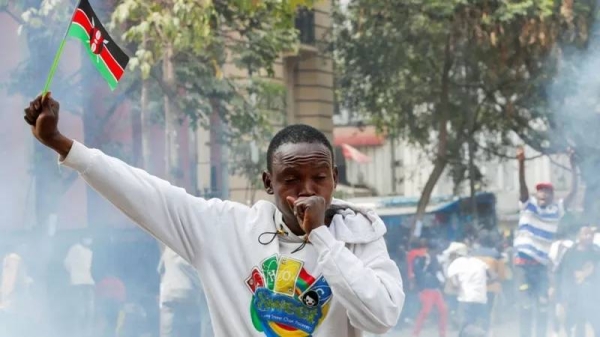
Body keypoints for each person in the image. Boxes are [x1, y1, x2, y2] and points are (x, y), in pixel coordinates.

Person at [23, 94, 404, 336]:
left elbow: (381, 316)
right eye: (291, 179)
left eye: (319, 178)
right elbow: (144, 192)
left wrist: (321, 236)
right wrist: (61, 143)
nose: (306, 190)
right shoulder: (227, 228)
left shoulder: (360, 236)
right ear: (268, 184)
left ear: (335, 179)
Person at [513, 146, 578, 337]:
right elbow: (523, 188)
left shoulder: (556, 211)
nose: (542, 194)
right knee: (525, 306)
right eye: (540, 191)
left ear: (552, 197)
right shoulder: (528, 205)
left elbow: (573, 192)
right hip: (523, 266)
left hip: (540, 266)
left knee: (542, 306)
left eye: (547, 192)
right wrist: (521, 163)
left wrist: (573, 166)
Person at [158, 246, 213, 337]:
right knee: (189, 326)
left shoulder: (168, 249)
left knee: (167, 331)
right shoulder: (185, 249)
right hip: (186, 294)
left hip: (167, 296)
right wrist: (204, 285)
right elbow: (190, 268)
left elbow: (160, 269)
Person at [556, 226, 600, 337]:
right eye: (585, 234)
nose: (589, 236)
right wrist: (562, 298)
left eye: (590, 234)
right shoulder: (570, 254)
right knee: (576, 328)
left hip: (594, 297)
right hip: (574, 297)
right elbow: (563, 275)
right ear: (578, 236)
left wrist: (588, 274)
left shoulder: (596, 251)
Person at [445, 242, 491, 335]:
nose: (449, 257)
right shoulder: (478, 262)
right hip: (481, 300)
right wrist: (480, 284)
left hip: (466, 300)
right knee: (481, 326)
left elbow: (452, 286)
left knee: (464, 329)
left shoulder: (455, 263)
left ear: (457, 254)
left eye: (451, 255)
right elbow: (494, 276)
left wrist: (454, 289)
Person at [472, 230, 506, 330]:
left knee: (476, 314)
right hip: (491, 289)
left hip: (475, 288)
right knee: (488, 314)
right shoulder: (496, 254)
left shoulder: (472, 254)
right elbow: (502, 276)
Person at [412, 241, 447, 337]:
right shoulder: (421, 259)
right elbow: (417, 273)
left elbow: (438, 272)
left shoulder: (435, 259)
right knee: (425, 311)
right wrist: (420, 288)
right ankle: (415, 333)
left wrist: (442, 281)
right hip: (426, 289)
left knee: (443, 310)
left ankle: (442, 334)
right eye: (435, 250)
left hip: (435, 289)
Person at [64, 235, 95, 337]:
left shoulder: (89, 252)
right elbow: (67, 264)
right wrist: (75, 273)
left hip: (85, 283)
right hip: (78, 283)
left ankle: (85, 333)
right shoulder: (76, 248)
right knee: (81, 312)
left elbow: (68, 265)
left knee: (87, 312)